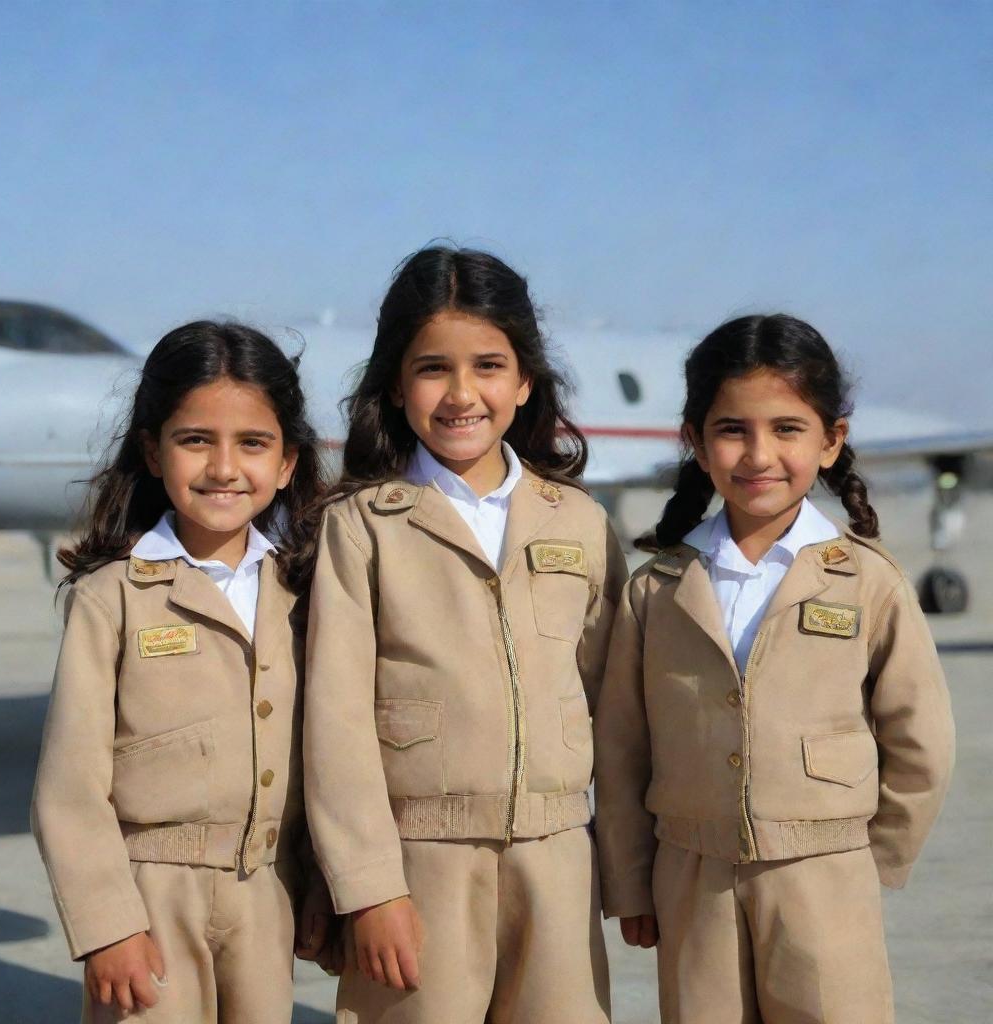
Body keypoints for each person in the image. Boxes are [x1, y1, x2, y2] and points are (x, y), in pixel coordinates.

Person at [594, 313, 955, 1023]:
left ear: (831, 441)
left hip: (826, 872)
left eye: (787, 428)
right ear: (695, 442)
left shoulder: (869, 582)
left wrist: (867, 860)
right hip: (691, 879)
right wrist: (634, 883)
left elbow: (922, 742)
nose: (759, 454)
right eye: (732, 429)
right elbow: (621, 748)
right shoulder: (658, 589)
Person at [304, 246, 627, 1024]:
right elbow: (335, 725)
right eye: (431, 369)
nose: (461, 394)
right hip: (418, 868)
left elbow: (620, 714)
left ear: (524, 381)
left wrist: (633, 875)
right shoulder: (360, 529)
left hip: (557, 863)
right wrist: (371, 889)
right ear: (394, 383)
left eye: (488, 365)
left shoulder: (579, 523)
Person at [31, 320, 333, 1023]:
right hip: (149, 901)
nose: (224, 468)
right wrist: (108, 926)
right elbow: (69, 788)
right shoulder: (111, 597)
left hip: (267, 896)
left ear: (288, 462)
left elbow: (327, 759)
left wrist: (321, 880)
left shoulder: (309, 594)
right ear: (153, 451)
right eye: (196, 440)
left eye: (253, 443)